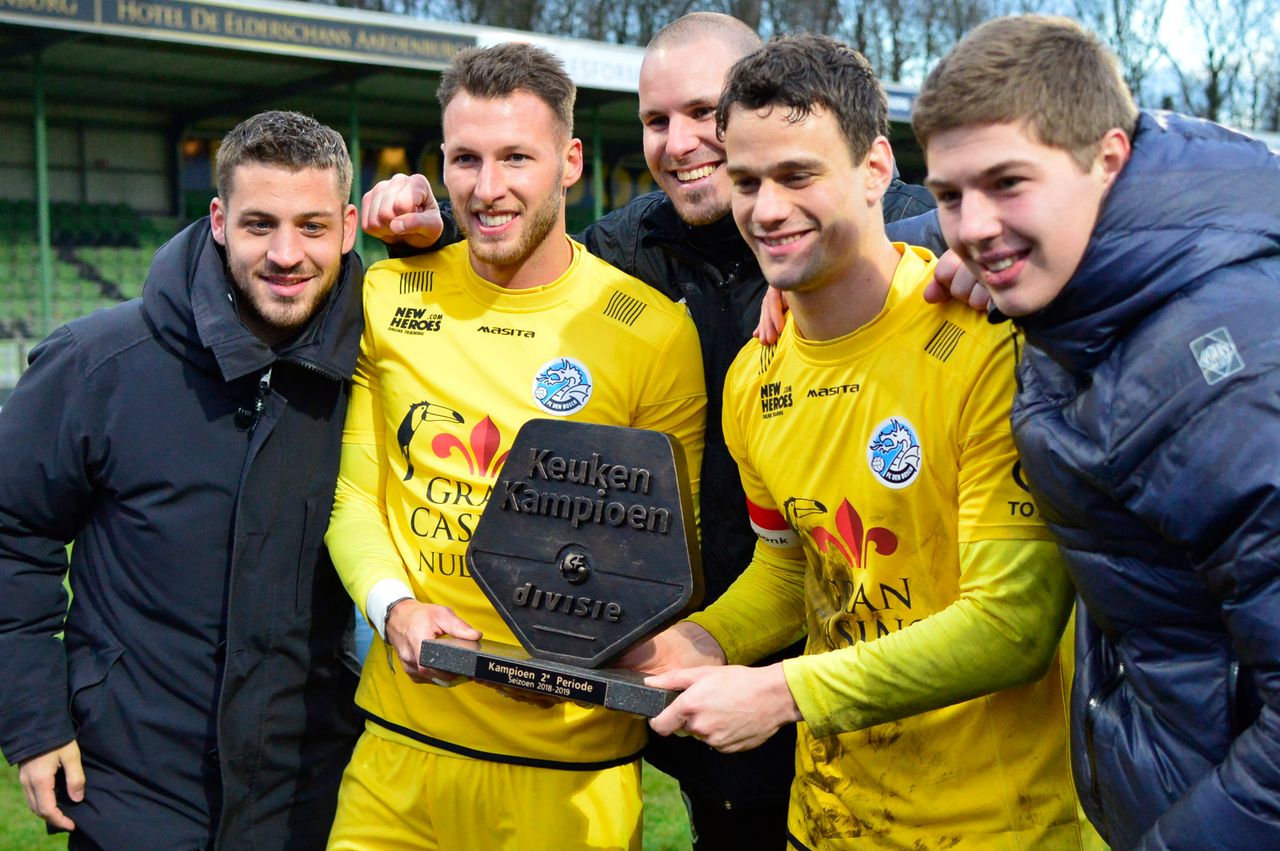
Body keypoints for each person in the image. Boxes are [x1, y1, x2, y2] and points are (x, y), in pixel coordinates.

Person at [362, 14, 942, 846]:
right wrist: (436, 226)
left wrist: (859, 260)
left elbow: (959, 233)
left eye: (704, 113)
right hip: (698, 664)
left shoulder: (903, 231)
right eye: (655, 120)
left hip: (883, 674)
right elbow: (534, 256)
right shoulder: (631, 247)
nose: (679, 143)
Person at [627, 33, 1103, 850]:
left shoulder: (988, 336)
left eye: (797, 175)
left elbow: (1012, 626)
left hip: (1002, 828)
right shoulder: (753, 377)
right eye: (746, 180)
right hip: (827, 821)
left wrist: (778, 693)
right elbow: (789, 570)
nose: (766, 209)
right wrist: (698, 640)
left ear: (878, 168)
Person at [323, 42, 705, 850]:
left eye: (515, 158)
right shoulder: (389, 294)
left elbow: (664, 560)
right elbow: (353, 495)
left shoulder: (652, 332)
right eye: (465, 158)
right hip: (400, 753)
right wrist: (393, 608)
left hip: (568, 771)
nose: (486, 188)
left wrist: (579, 657)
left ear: (568, 162)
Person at [913, 15, 1280, 849]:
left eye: (1008, 183)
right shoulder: (1092, 279)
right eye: (948, 195)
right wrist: (816, 272)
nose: (970, 227)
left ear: (1107, 158)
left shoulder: (1221, 380)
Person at [0, 111, 365, 849]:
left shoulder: (379, 374)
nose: (287, 253)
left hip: (313, 797)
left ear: (351, 226)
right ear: (220, 219)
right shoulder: (97, 363)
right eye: (260, 223)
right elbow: (12, 533)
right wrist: (36, 722)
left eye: (313, 226)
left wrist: (443, 227)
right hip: (131, 795)